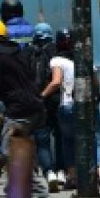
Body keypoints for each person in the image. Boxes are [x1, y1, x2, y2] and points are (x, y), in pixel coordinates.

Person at [0, 18, 50, 198]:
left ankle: (38, 190)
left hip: (20, 109)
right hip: (35, 105)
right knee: (19, 147)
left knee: (10, 150)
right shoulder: (16, 51)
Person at [42, 29, 77, 189]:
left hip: (64, 104)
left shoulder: (55, 60)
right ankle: (96, 173)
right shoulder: (82, 58)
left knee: (66, 140)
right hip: (83, 105)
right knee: (88, 140)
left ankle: (66, 174)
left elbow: (55, 82)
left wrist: (41, 96)